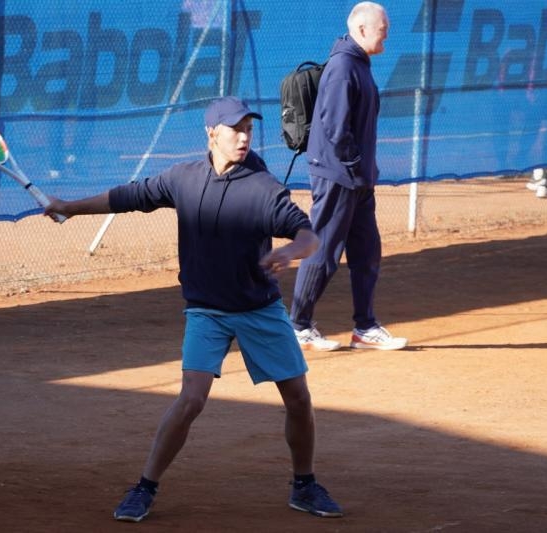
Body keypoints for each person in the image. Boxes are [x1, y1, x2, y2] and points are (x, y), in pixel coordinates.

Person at [44, 96, 343, 522]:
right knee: (191, 399)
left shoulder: (262, 189)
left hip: (258, 308)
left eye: (248, 129)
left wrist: (292, 249)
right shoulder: (183, 178)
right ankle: (144, 488)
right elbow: (129, 196)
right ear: (211, 133)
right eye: (235, 129)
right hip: (206, 310)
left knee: (298, 399)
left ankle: (304, 485)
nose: (243, 137)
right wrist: (70, 208)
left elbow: (309, 235)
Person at [289, 2, 407, 352]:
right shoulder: (343, 67)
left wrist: (364, 172)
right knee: (323, 250)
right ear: (361, 29)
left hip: (357, 180)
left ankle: (365, 327)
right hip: (338, 177)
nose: (386, 31)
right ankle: (298, 326)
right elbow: (335, 128)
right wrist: (355, 166)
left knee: (367, 251)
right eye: (382, 26)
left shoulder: (358, 64)